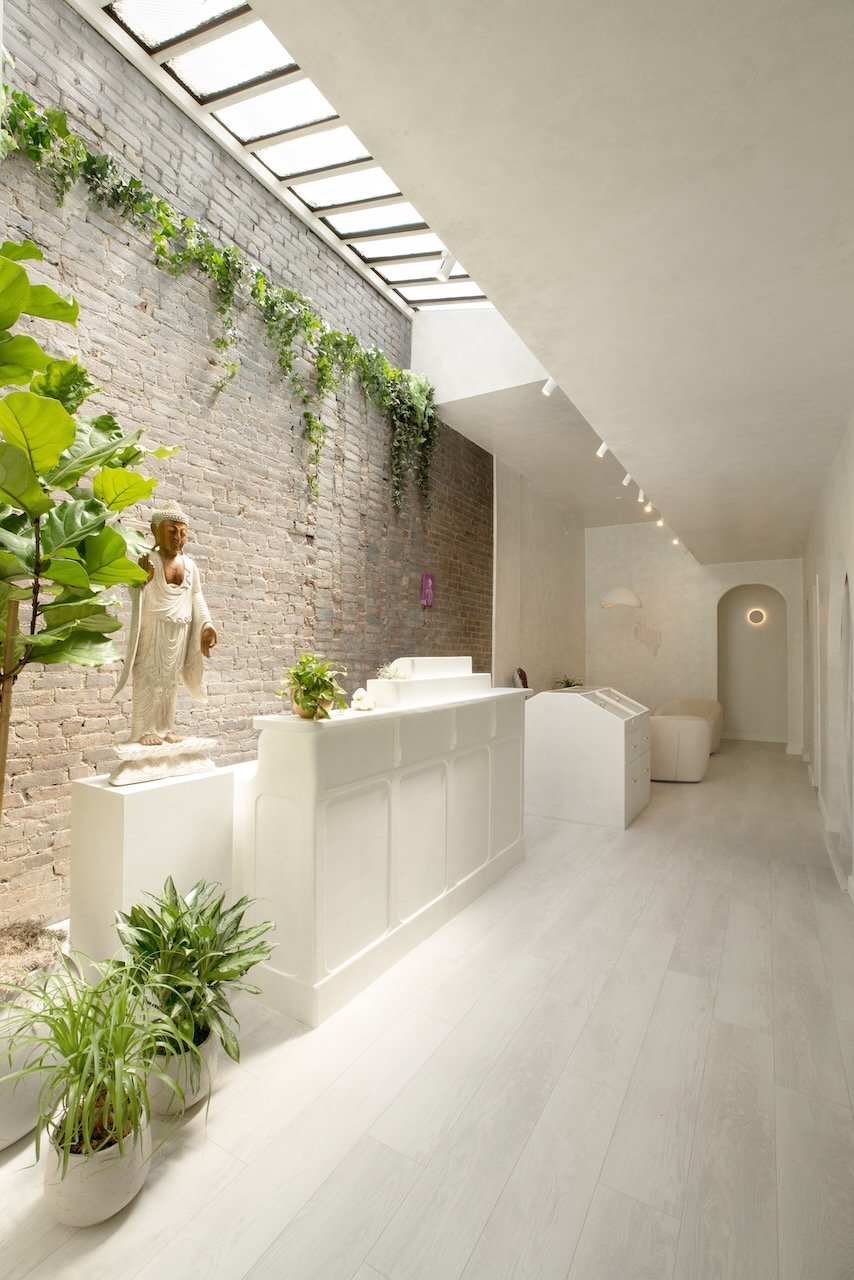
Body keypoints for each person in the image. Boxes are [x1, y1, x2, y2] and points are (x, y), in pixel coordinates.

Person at [114, 505, 218, 745]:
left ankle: (165, 727)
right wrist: (140, 581)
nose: (177, 537)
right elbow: (133, 592)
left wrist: (207, 624)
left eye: (182, 532)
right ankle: (143, 730)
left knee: (171, 680)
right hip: (153, 627)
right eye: (171, 530)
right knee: (148, 677)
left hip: (181, 628)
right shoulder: (147, 559)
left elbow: (196, 596)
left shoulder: (190, 565)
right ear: (155, 530)